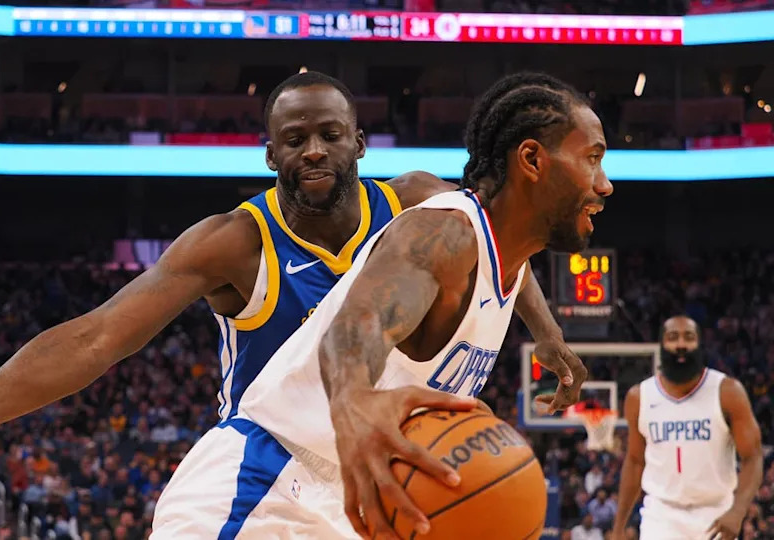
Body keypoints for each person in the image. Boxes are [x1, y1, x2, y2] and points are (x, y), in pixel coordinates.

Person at [0, 71, 584, 530]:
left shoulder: (423, 205)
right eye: (294, 139)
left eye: (328, 134)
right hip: (267, 477)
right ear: (270, 153)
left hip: (363, 487)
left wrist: (544, 331)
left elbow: (500, 248)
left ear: (359, 143)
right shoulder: (234, 242)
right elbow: (95, 340)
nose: (312, 150)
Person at [150, 72, 612, 538]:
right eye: (592, 159)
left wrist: (549, 335)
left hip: (348, 503)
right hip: (265, 486)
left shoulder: (498, 253)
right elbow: (357, 327)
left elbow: (511, 261)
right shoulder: (443, 233)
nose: (605, 184)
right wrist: (352, 397)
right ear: (531, 159)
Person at [612, 316, 763, 540]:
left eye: (689, 337)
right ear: (662, 345)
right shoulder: (639, 397)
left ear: (699, 345)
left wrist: (738, 511)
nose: (681, 344)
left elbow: (753, 457)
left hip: (716, 512)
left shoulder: (727, 391)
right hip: (661, 515)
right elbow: (634, 462)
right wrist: (618, 527)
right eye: (673, 337)